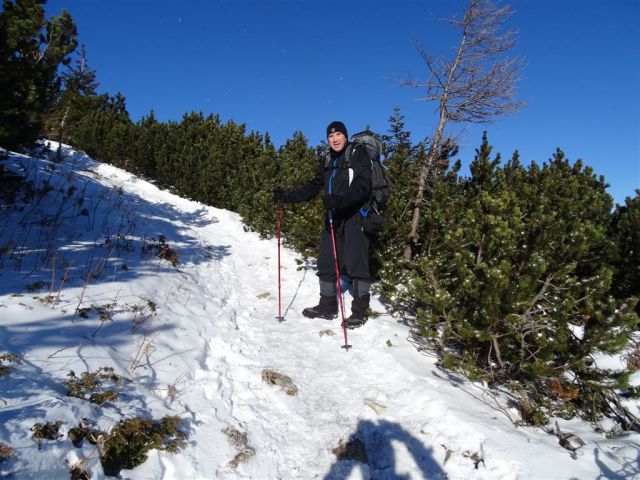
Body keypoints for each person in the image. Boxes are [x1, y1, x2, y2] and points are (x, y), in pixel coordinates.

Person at [274, 121, 372, 328]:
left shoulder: (357, 154)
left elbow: (364, 186)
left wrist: (340, 200)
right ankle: (327, 306)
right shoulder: (327, 158)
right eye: (330, 136)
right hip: (333, 217)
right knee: (326, 261)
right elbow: (314, 186)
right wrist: (288, 197)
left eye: (338, 135)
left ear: (346, 137)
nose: (335, 139)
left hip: (355, 216)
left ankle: (360, 311)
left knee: (356, 263)